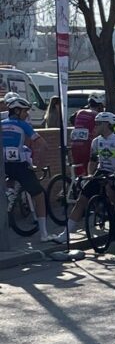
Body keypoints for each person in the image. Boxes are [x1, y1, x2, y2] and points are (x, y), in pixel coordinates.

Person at [51, 111, 115, 243]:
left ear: (107, 124)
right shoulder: (96, 141)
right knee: (81, 200)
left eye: (98, 124)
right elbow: (93, 160)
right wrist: (90, 174)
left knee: (111, 191)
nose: (95, 126)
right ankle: (66, 233)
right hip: (101, 172)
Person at [2, 95, 50, 241]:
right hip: (20, 165)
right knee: (39, 195)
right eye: (24, 111)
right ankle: (44, 234)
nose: (27, 114)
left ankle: (8, 192)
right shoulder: (23, 125)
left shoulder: (1, 123)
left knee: (9, 183)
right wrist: (39, 164)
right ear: (16, 111)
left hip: (4, 165)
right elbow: (43, 145)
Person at [69, 93, 105, 177]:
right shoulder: (97, 116)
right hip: (87, 145)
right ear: (100, 105)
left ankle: (76, 186)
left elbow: (72, 120)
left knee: (79, 169)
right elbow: (100, 131)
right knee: (90, 168)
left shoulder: (80, 112)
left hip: (75, 144)